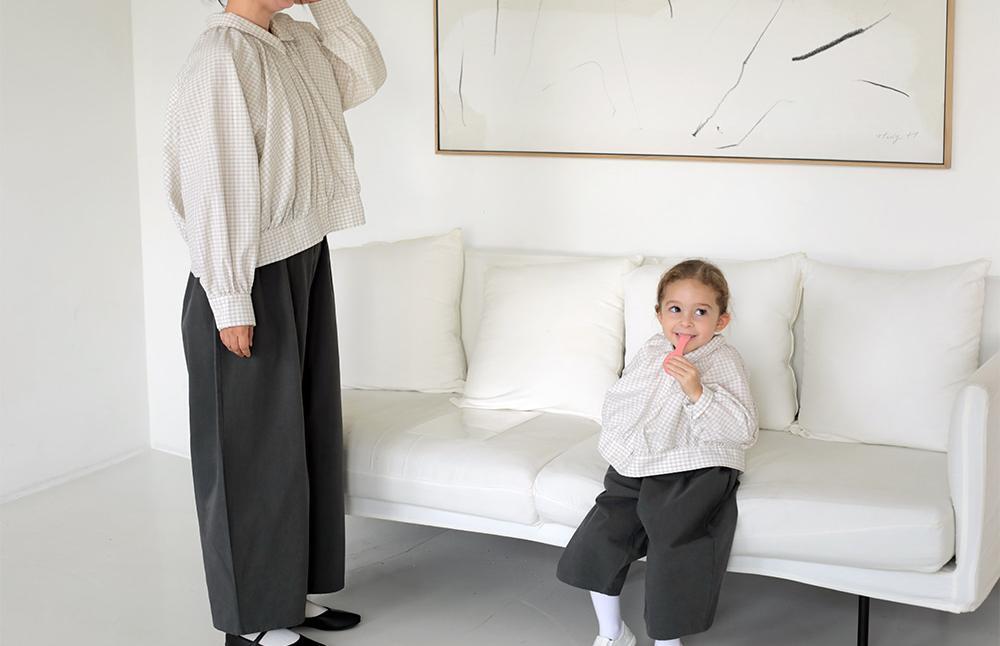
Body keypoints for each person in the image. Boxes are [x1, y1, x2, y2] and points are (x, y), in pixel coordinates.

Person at [163, 0, 385, 644]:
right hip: (246, 271)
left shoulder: (291, 40)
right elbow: (215, 187)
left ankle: (290, 594)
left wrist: (326, 5)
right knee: (250, 453)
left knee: (302, 440)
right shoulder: (220, 57)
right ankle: (254, 622)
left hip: (302, 254)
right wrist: (231, 299)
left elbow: (364, 75)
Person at [556, 260, 759, 646]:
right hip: (642, 457)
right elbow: (622, 398)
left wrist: (697, 392)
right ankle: (612, 632)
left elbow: (743, 431)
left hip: (696, 465)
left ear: (721, 321)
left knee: (674, 535)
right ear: (659, 314)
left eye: (701, 312)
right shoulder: (652, 350)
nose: (686, 322)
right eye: (675, 309)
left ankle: (668, 641)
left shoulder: (724, 360)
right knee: (604, 532)